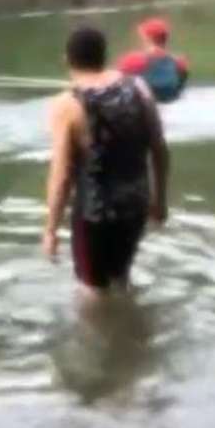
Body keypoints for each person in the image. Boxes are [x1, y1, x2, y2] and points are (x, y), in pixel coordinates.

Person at [44, 26, 169, 292]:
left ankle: (106, 333)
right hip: (136, 205)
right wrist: (160, 201)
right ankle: (135, 329)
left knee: (92, 291)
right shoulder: (139, 88)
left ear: (67, 60)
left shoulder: (66, 105)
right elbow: (159, 148)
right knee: (121, 276)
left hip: (95, 215)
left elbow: (62, 174)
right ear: (104, 55)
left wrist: (50, 230)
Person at [117, 17, 189, 104]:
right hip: (170, 98)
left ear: (148, 38)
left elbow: (117, 84)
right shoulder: (180, 62)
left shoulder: (132, 60)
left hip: (144, 104)